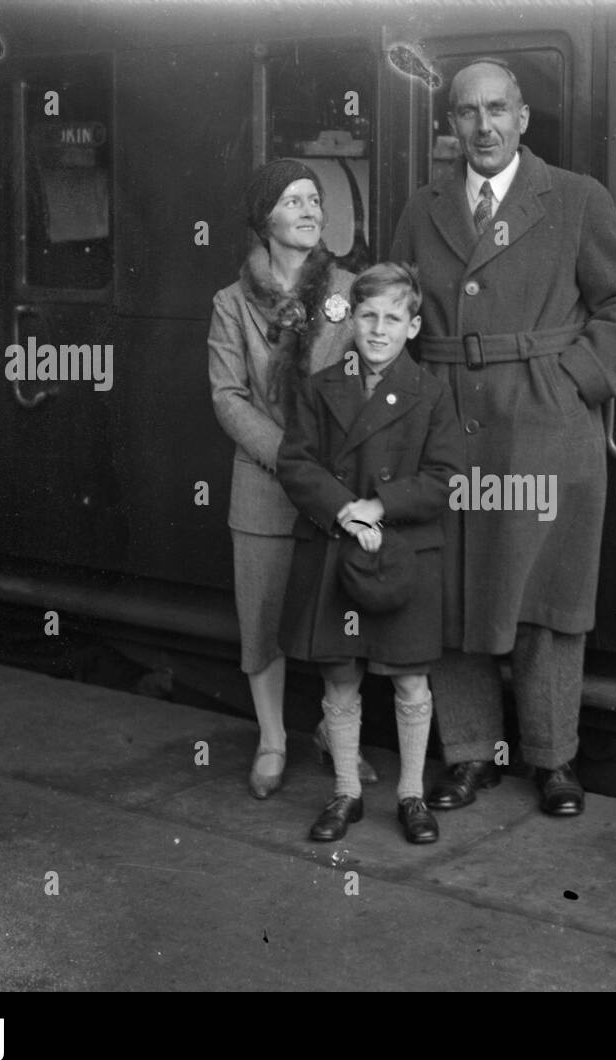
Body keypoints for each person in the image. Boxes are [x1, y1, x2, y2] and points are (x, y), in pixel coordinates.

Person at [390, 58, 616, 816]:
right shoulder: (422, 207)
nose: (483, 126)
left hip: (543, 429)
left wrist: (571, 380)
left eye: (498, 109)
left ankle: (553, 761)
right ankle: (471, 756)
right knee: (452, 594)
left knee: (549, 595)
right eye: (468, 112)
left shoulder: (574, 199)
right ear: (450, 124)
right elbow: (395, 311)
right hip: (447, 427)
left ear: (523, 118)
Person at [275, 263, 464, 843]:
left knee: (410, 681)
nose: (378, 329)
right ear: (351, 319)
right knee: (340, 678)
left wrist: (379, 506)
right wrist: (343, 509)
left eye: (392, 318)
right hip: (337, 547)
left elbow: (446, 476)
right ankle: (346, 795)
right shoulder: (320, 385)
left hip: (402, 553)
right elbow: (295, 463)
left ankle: (410, 795)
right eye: (367, 316)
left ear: (412, 327)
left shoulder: (430, 392)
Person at [208, 158, 375, 800]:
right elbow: (228, 398)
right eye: (294, 200)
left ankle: (338, 736)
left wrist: (331, 466)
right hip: (266, 482)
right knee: (263, 618)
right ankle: (273, 739)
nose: (311, 210)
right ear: (264, 218)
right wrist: (291, 458)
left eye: (316, 200)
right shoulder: (231, 303)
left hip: (337, 484)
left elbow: (376, 373)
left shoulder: (354, 289)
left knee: (342, 617)